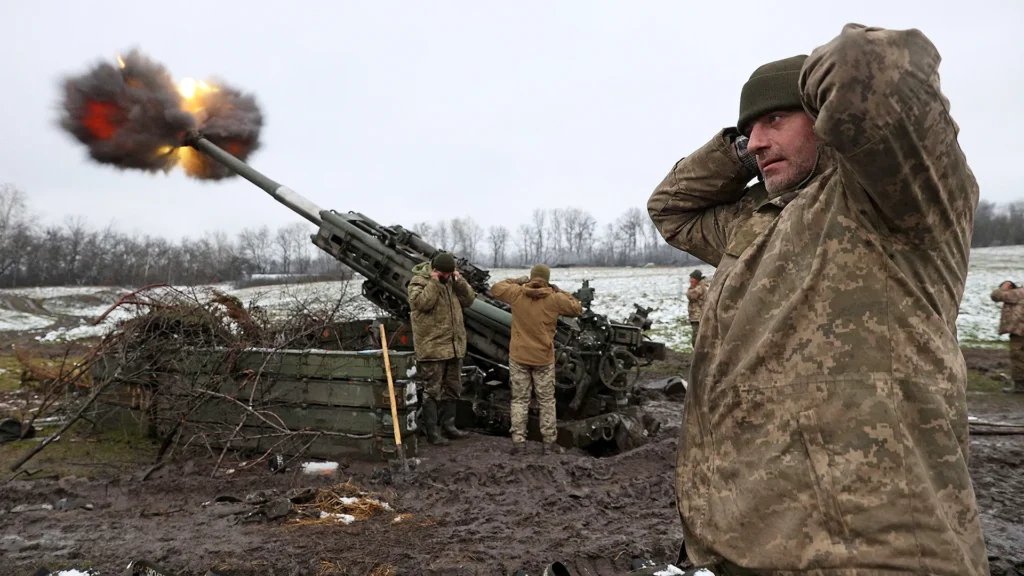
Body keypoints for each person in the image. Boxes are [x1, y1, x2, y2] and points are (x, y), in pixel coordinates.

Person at [647, 23, 988, 575]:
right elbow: (671, 208)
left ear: (826, 120)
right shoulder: (754, 221)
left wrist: (818, 102)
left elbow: (868, 66)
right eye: (747, 133)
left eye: (775, 120)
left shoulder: (891, 203)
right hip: (745, 545)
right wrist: (741, 151)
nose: (756, 142)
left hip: (871, 554)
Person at [491, 264, 583, 455]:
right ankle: (549, 444)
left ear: (531, 278)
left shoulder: (516, 293)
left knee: (519, 400)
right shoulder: (555, 299)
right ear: (547, 279)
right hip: (543, 358)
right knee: (547, 401)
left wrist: (517, 280)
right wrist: (559, 290)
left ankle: (519, 444)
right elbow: (577, 308)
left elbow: (496, 288)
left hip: (519, 356)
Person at [407, 252, 477, 446]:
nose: (447, 276)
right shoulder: (419, 282)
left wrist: (459, 280)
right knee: (432, 390)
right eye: (443, 273)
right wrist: (435, 282)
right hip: (433, 346)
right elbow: (421, 304)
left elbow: (469, 299)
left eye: (449, 273)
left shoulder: (452, 282)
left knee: (453, 387)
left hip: (453, 346)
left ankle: (449, 426)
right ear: (435, 271)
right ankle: (432, 432)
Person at [991, 280, 1024, 394]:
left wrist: (1004, 287)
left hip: (1019, 331)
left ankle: (1020, 386)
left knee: (1018, 357)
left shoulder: (1018, 293)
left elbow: (995, 296)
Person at [686, 270, 709, 346]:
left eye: (693, 278)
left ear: (697, 279)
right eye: (690, 278)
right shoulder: (700, 286)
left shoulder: (700, 287)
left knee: (696, 338)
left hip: (698, 317)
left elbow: (690, 295)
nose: (690, 280)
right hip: (697, 316)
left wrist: (691, 288)